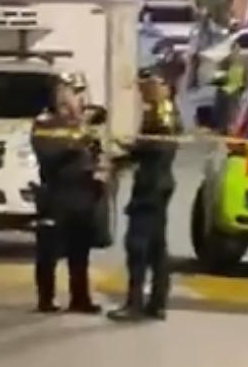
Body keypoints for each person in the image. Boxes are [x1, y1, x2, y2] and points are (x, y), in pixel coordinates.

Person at [109, 71, 182, 322]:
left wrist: (129, 147)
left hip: (151, 187)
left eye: (148, 86)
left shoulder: (162, 111)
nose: (143, 91)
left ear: (163, 87)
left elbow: (156, 147)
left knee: (137, 245)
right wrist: (121, 159)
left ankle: (135, 303)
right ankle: (158, 303)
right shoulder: (162, 110)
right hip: (159, 184)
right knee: (156, 247)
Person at [30, 79, 104, 315]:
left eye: (75, 95)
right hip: (56, 193)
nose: (73, 100)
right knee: (48, 251)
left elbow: (95, 151)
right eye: (68, 95)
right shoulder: (45, 123)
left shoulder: (81, 122)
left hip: (82, 193)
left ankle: (80, 298)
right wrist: (76, 142)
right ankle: (46, 298)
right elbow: (48, 154)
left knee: (80, 251)